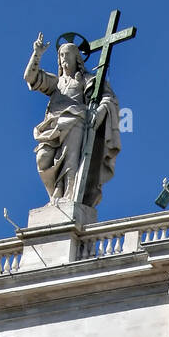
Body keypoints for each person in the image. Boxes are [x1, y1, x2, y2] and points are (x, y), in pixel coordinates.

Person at [24, 34, 121, 207]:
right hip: (52, 125)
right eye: (61, 55)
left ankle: (67, 197)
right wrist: (37, 54)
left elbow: (109, 98)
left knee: (70, 161)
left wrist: (99, 111)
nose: (63, 59)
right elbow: (30, 78)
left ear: (77, 58)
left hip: (77, 121)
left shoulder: (87, 80)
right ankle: (54, 194)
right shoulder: (57, 83)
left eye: (67, 54)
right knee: (43, 158)